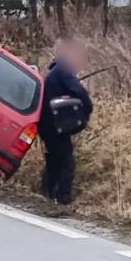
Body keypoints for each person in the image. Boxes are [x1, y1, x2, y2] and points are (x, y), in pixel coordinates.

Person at [39, 38, 93, 205]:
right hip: (57, 125)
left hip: (46, 125)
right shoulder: (63, 72)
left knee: (53, 159)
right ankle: (63, 198)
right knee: (66, 162)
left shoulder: (53, 73)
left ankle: (47, 192)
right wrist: (88, 108)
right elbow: (80, 92)